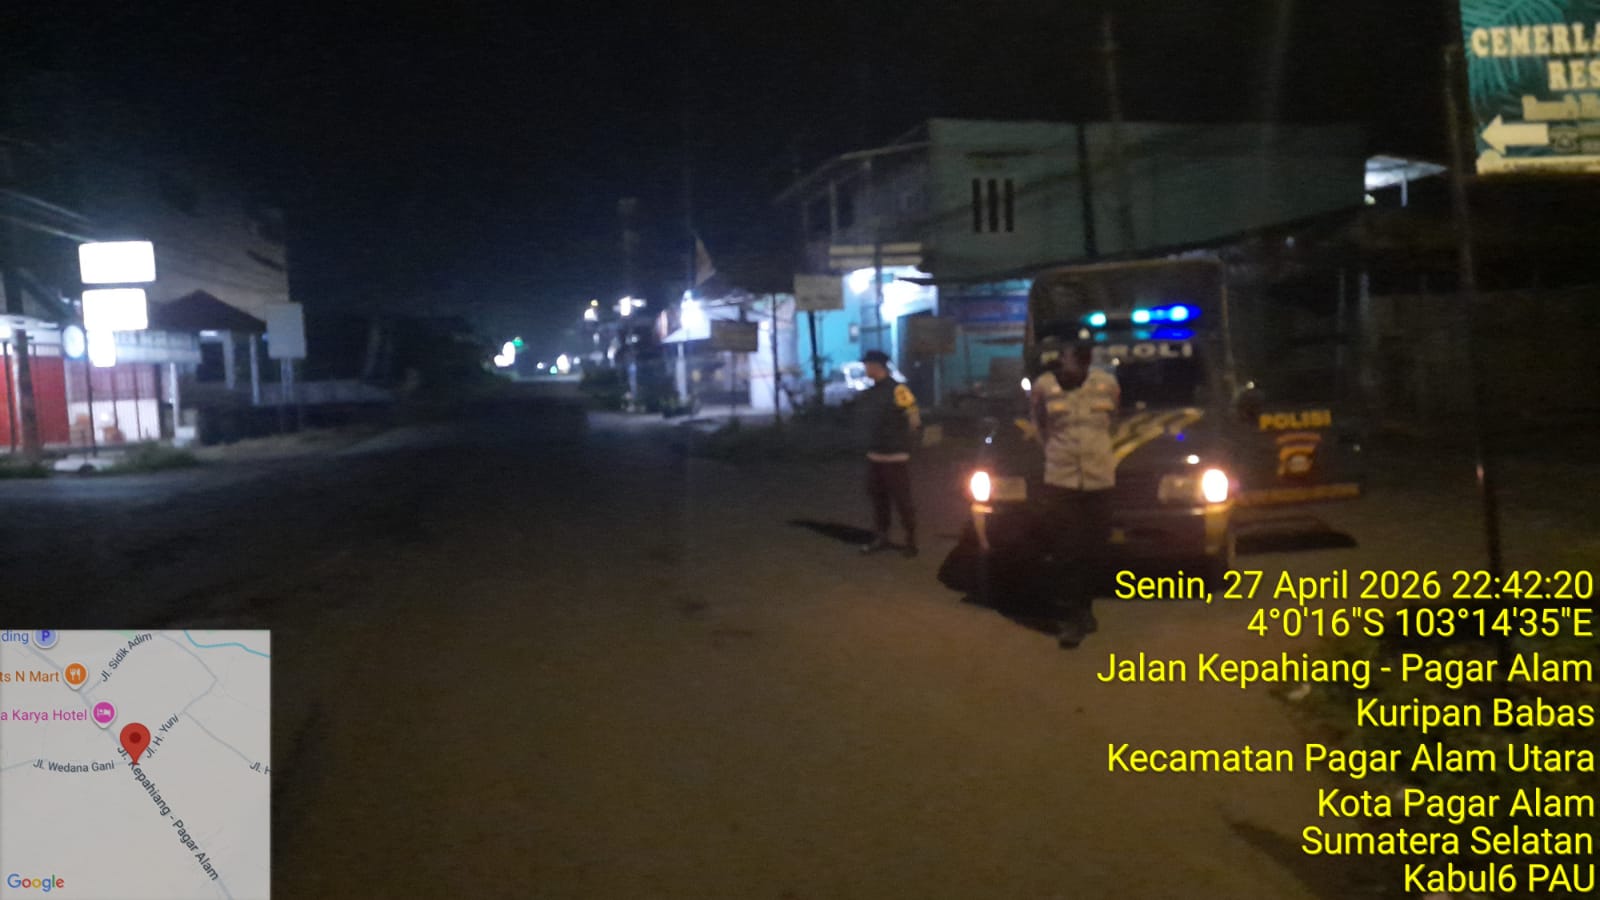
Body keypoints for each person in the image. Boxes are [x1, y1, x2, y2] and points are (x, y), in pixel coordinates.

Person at [1030, 336, 1120, 648]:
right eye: (1073, 356)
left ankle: (1085, 608)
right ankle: (1068, 619)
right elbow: (1039, 425)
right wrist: (1057, 453)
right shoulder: (1044, 386)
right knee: (1067, 550)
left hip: (1100, 479)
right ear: (1063, 357)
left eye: (1083, 358)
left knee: (1094, 549)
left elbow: (1113, 421)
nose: (1077, 363)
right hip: (1062, 481)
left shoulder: (1106, 384)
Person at [857, 350, 921, 557]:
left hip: (895, 457)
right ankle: (881, 537)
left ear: (877, 366)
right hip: (875, 455)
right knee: (879, 500)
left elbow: (914, 419)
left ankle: (910, 541)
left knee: (902, 501)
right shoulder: (871, 392)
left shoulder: (898, 390)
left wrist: (904, 443)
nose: (865, 369)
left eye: (867, 365)